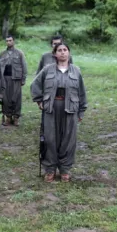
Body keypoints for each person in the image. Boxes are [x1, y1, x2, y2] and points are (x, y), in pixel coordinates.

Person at [31, 43, 87, 182]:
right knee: (50, 139)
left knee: (68, 140)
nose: (62, 53)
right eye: (59, 50)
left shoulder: (76, 71)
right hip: (51, 108)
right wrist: (39, 100)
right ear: (55, 54)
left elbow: (82, 92)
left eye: (65, 50)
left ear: (69, 53)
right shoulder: (47, 70)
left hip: (70, 109)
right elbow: (35, 85)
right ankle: (50, 169)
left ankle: (64, 169)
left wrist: (81, 111)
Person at [0, 35, 27, 126]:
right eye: (7, 41)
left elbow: (24, 66)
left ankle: (16, 117)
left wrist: (23, 78)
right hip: (5, 79)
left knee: (16, 98)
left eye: (10, 40)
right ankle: (8, 117)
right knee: (5, 98)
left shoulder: (19, 53)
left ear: (13, 41)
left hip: (16, 78)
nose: (8, 42)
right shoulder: (2, 53)